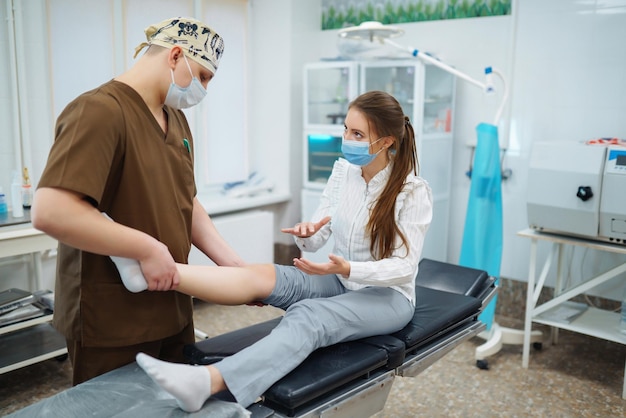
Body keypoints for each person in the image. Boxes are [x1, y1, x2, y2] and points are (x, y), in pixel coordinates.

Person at [108, 90, 433, 412]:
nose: (347, 138)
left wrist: (347, 269)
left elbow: (405, 266)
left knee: (309, 316)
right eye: (346, 129)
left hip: (388, 297)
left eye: (358, 134)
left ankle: (209, 382)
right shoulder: (343, 173)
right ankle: (150, 274)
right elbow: (318, 239)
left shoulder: (412, 190)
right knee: (263, 275)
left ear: (387, 141)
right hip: (341, 280)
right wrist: (308, 233)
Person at [31, 17, 245, 385]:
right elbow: (52, 211)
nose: (204, 89)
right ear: (175, 55)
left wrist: (237, 269)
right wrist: (146, 248)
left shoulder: (174, 119)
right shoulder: (99, 111)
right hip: (113, 315)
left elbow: (186, 202)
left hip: (172, 302)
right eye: (204, 77)